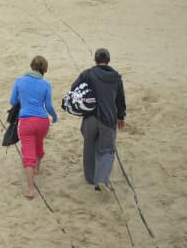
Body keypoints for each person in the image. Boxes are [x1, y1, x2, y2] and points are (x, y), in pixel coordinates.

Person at [70, 48, 126, 190]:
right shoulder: (116, 78)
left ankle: (90, 178)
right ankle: (101, 178)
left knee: (89, 146)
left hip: (90, 118)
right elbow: (120, 99)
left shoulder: (87, 74)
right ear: (108, 60)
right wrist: (121, 116)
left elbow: (74, 88)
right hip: (108, 119)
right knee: (107, 149)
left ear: (95, 60)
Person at [9, 55, 58, 199]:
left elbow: (13, 101)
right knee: (39, 143)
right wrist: (54, 116)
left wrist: (23, 98)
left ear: (31, 66)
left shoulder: (19, 81)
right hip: (43, 121)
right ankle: (37, 168)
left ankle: (31, 189)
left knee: (28, 154)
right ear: (44, 69)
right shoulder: (46, 84)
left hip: (26, 121)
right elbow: (48, 106)